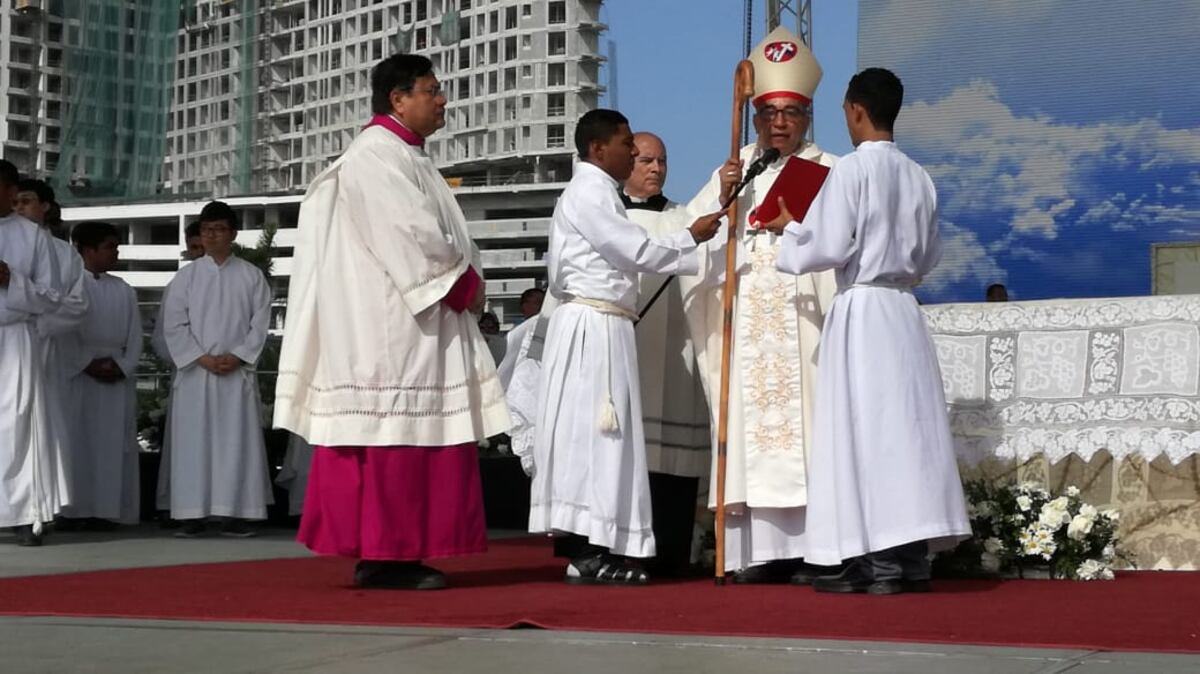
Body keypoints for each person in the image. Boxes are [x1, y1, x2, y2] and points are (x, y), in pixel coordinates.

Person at [274, 54, 510, 590]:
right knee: (396, 442)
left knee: (409, 440)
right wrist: (464, 283)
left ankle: (395, 554)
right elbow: (411, 235)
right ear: (397, 99)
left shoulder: (405, 155)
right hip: (394, 329)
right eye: (431, 90)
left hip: (410, 323)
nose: (443, 99)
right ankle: (388, 556)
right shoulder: (376, 156)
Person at [774, 67, 971, 594]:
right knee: (906, 434)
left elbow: (828, 245)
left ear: (856, 110)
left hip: (862, 309)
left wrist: (790, 231)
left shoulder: (852, 172)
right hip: (904, 309)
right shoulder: (918, 175)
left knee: (865, 433)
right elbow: (929, 254)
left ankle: (875, 561)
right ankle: (911, 561)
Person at [525, 109, 722, 585]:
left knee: (603, 439)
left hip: (606, 323)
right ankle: (588, 548)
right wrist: (690, 239)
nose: (633, 154)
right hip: (593, 324)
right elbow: (632, 249)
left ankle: (601, 544)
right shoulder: (590, 192)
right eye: (626, 143)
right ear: (598, 149)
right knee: (595, 437)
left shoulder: (598, 192)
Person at [680, 26, 839, 582]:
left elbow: (844, 243)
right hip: (747, 322)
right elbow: (691, 238)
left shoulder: (831, 170)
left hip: (804, 321)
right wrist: (723, 198)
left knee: (807, 430)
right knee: (752, 430)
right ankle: (753, 554)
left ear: (808, 115)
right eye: (769, 111)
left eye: (790, 112)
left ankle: (810, 550)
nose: (779, 122)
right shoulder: (734, 167)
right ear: (754, 116)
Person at [622, 131, 712, 576]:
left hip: (677, 357)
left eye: (662, 161)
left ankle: (676, 551)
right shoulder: (609, 218)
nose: (656, 169)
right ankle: (621, 553)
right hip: (626, 355)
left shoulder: (685, 220)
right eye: (645, 161)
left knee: (673, 460)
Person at [162, 200, 273, 538]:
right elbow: (174, 324)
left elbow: (260, 323)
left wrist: (239, 355)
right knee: (193, 444)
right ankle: (191, 513)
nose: (211, 236)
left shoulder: (251, 277)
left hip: (234, 373)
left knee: (235, 443)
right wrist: (201, 357)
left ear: (233, 233)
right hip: (197, 372)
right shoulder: (187, 277)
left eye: (219, 229)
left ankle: (234, 512)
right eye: (206, 230)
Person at [0, 160, 71, 546]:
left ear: (11, 192)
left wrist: (12, 280)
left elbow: (53, 296)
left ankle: (26, 516)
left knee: (19, 427)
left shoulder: (32, 237)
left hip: (15, 338)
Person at [58, 222, 142, 528]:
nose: (115, 252)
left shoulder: (124, 290)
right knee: (77, 445)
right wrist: (87, 364)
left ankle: (108, 509)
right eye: (109, 246)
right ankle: (74, 512)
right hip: (80, 377)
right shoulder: (68, 287)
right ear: (87, 249)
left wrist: (122, 366)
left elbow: (135, 337)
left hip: (115, 377)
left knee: (112, 446)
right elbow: (62, 334)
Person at [152, 220, 205, 514]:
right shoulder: (180, 282)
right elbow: (163, 334)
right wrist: (191, 357)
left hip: (227, 371)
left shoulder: (242, 277)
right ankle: (181, 506)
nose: (198, 253)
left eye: (201, 246)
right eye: (193, 247)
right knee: (185, 446)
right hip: (188, 373)